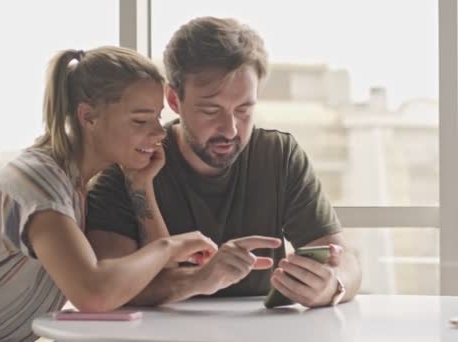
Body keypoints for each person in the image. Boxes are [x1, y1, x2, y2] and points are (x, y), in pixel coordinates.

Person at [86, 17, 362, 308]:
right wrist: (199, 279)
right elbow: (105, 289)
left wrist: (333, 285)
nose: (230, 129)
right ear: (174, 99)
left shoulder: (278, 155)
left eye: (244, 109)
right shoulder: (129, 164)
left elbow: (346, 261)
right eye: (210, 110)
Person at [0, 46, 217, 341]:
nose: (160, 132)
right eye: (141, 120)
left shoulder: (75, 183)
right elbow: (94, 293)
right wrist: (171, 246)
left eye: (157, 118)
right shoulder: (41, 185)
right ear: (88, 117)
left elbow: (149, 275)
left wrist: (141, 185)